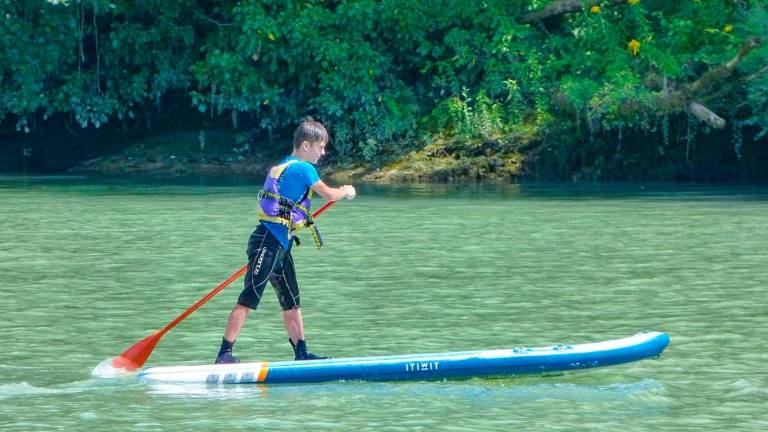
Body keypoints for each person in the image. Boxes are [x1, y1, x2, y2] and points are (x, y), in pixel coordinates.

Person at [215, 118, 356, 364]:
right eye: (321, 147)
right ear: (305, 145)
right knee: (249, 297)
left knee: (291, 302)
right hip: (267, 242)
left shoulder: (282, 165)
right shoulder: (303, 168)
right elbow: (329, 194)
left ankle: (302, 353)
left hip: (280, 245)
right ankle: (224, 354)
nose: (323, 152)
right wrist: (345, 190)